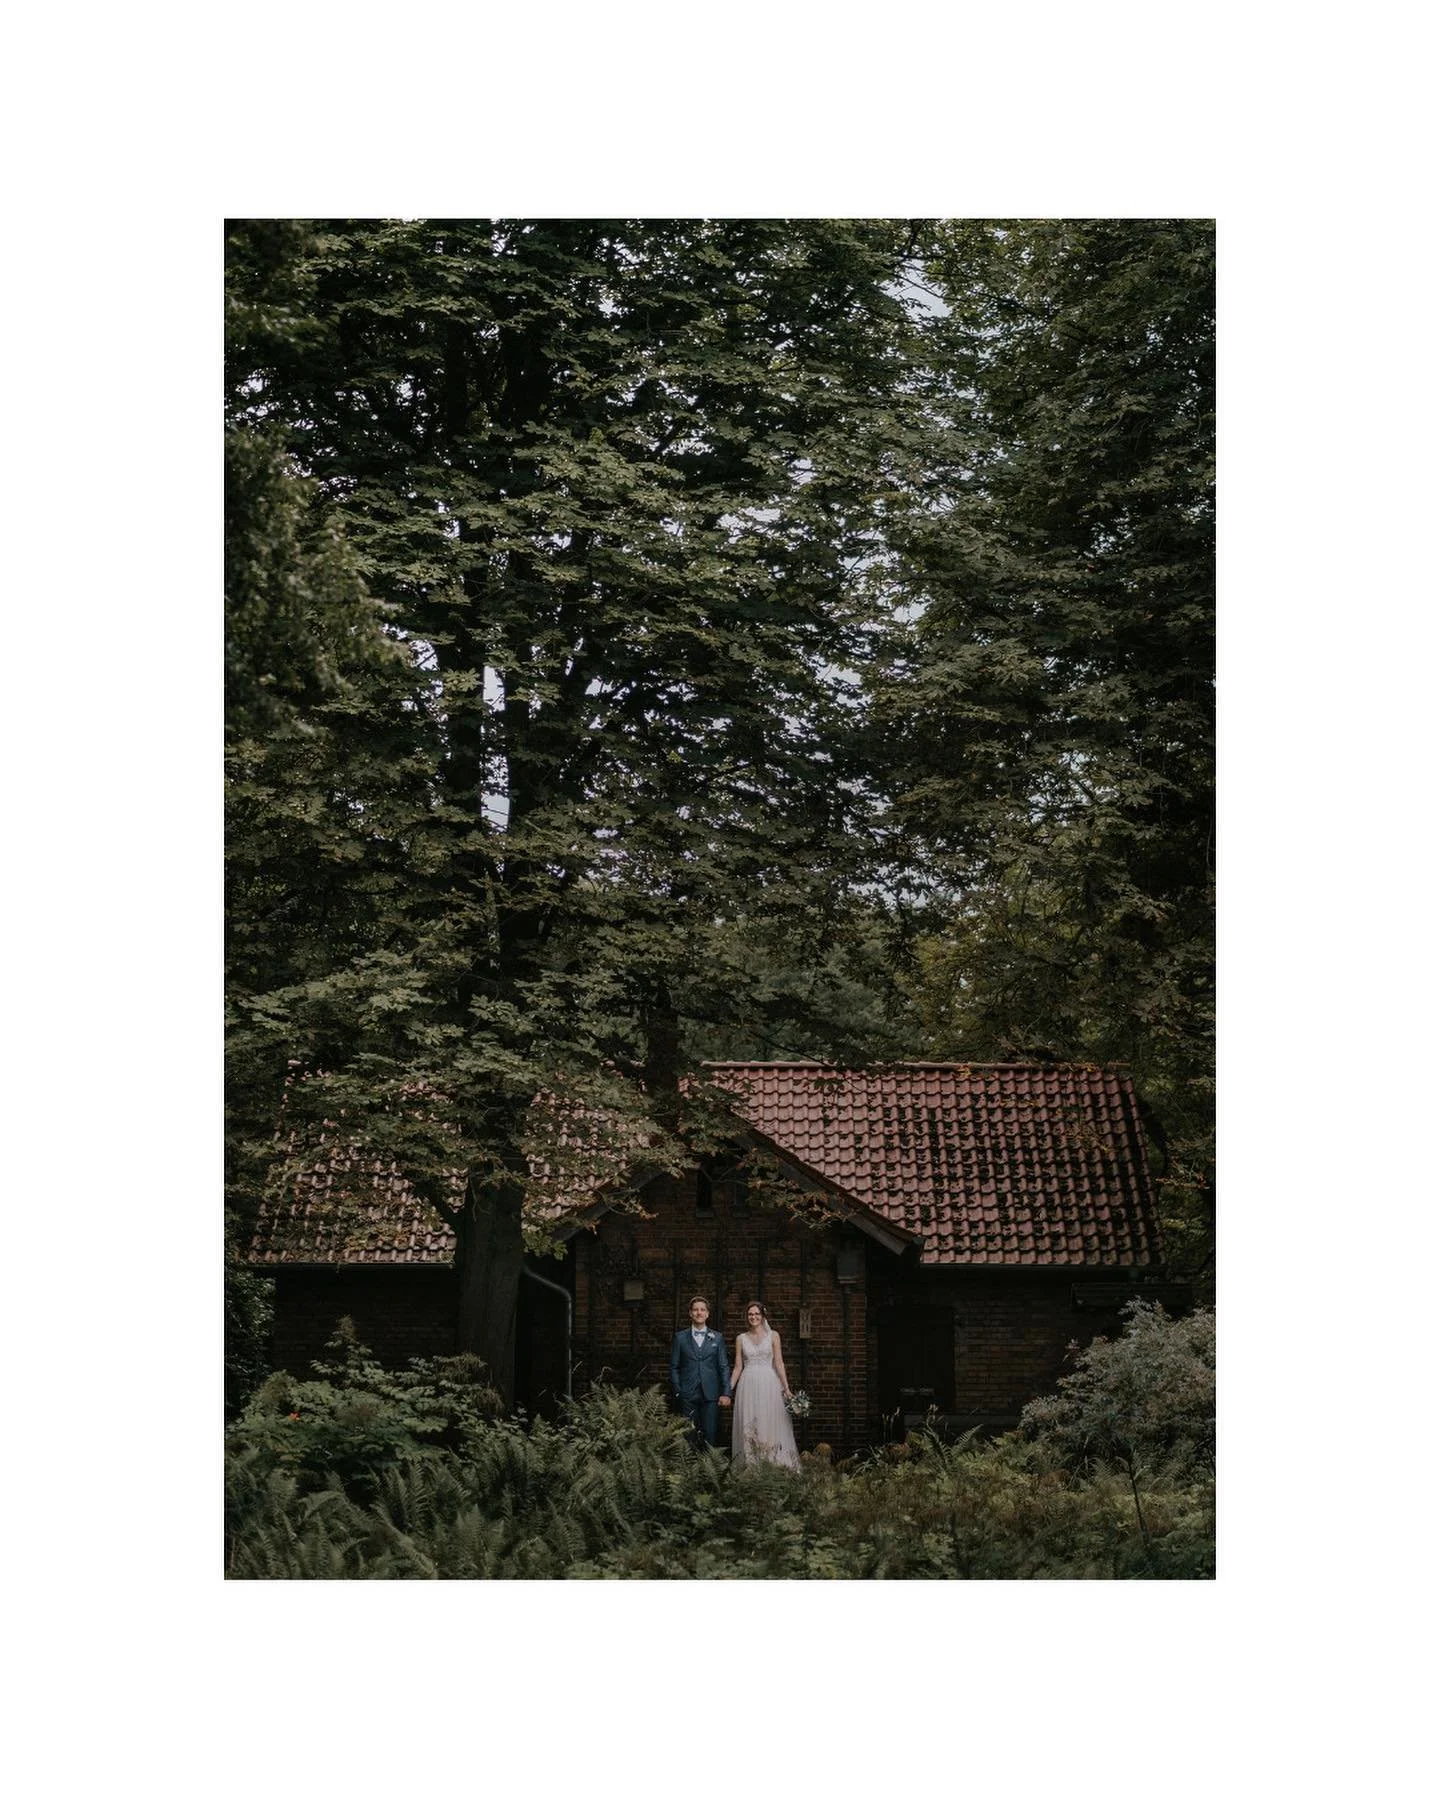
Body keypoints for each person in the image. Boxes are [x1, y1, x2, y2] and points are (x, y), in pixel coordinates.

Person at [728, 1301, 800, 1470]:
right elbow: (738, 1367)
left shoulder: (773, 1335)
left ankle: (773, 1463)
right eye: (750, 1314)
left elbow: (779, 1363)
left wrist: (787, 1388)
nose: (753, 1317)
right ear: (747, 1317)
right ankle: (751, 1465)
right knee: (749, 1422)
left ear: (763, 1316)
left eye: (756, 1314)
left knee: (769, 1420)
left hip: (769, 1382)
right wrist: (727, 1390)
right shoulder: (741, 1338)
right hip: (748, 1383)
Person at [670, 1295, 732, 1449]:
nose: (699, 1313)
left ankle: (708, 1471)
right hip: (687, 1394)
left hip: (711, 1394)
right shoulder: (680, 1338)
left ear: (707, 1314)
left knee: (710, 1435)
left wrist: (726, 1392)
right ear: (690, 1313)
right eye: (695, 1310)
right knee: (688, 1435)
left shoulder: (717, 1338)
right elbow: (674, 1367)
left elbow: (723, 1366)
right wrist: (678, 1390)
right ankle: (690, 1471)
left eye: (702, 1310)